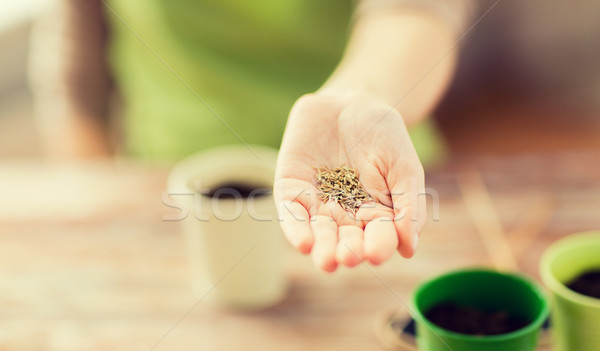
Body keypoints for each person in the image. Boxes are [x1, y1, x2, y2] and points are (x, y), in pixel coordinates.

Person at [29, 0, 600, 272]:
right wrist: (102, 210)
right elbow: (75, 77)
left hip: (370, 179)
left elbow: (419, 11)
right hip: (164, 193)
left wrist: (360, 98)